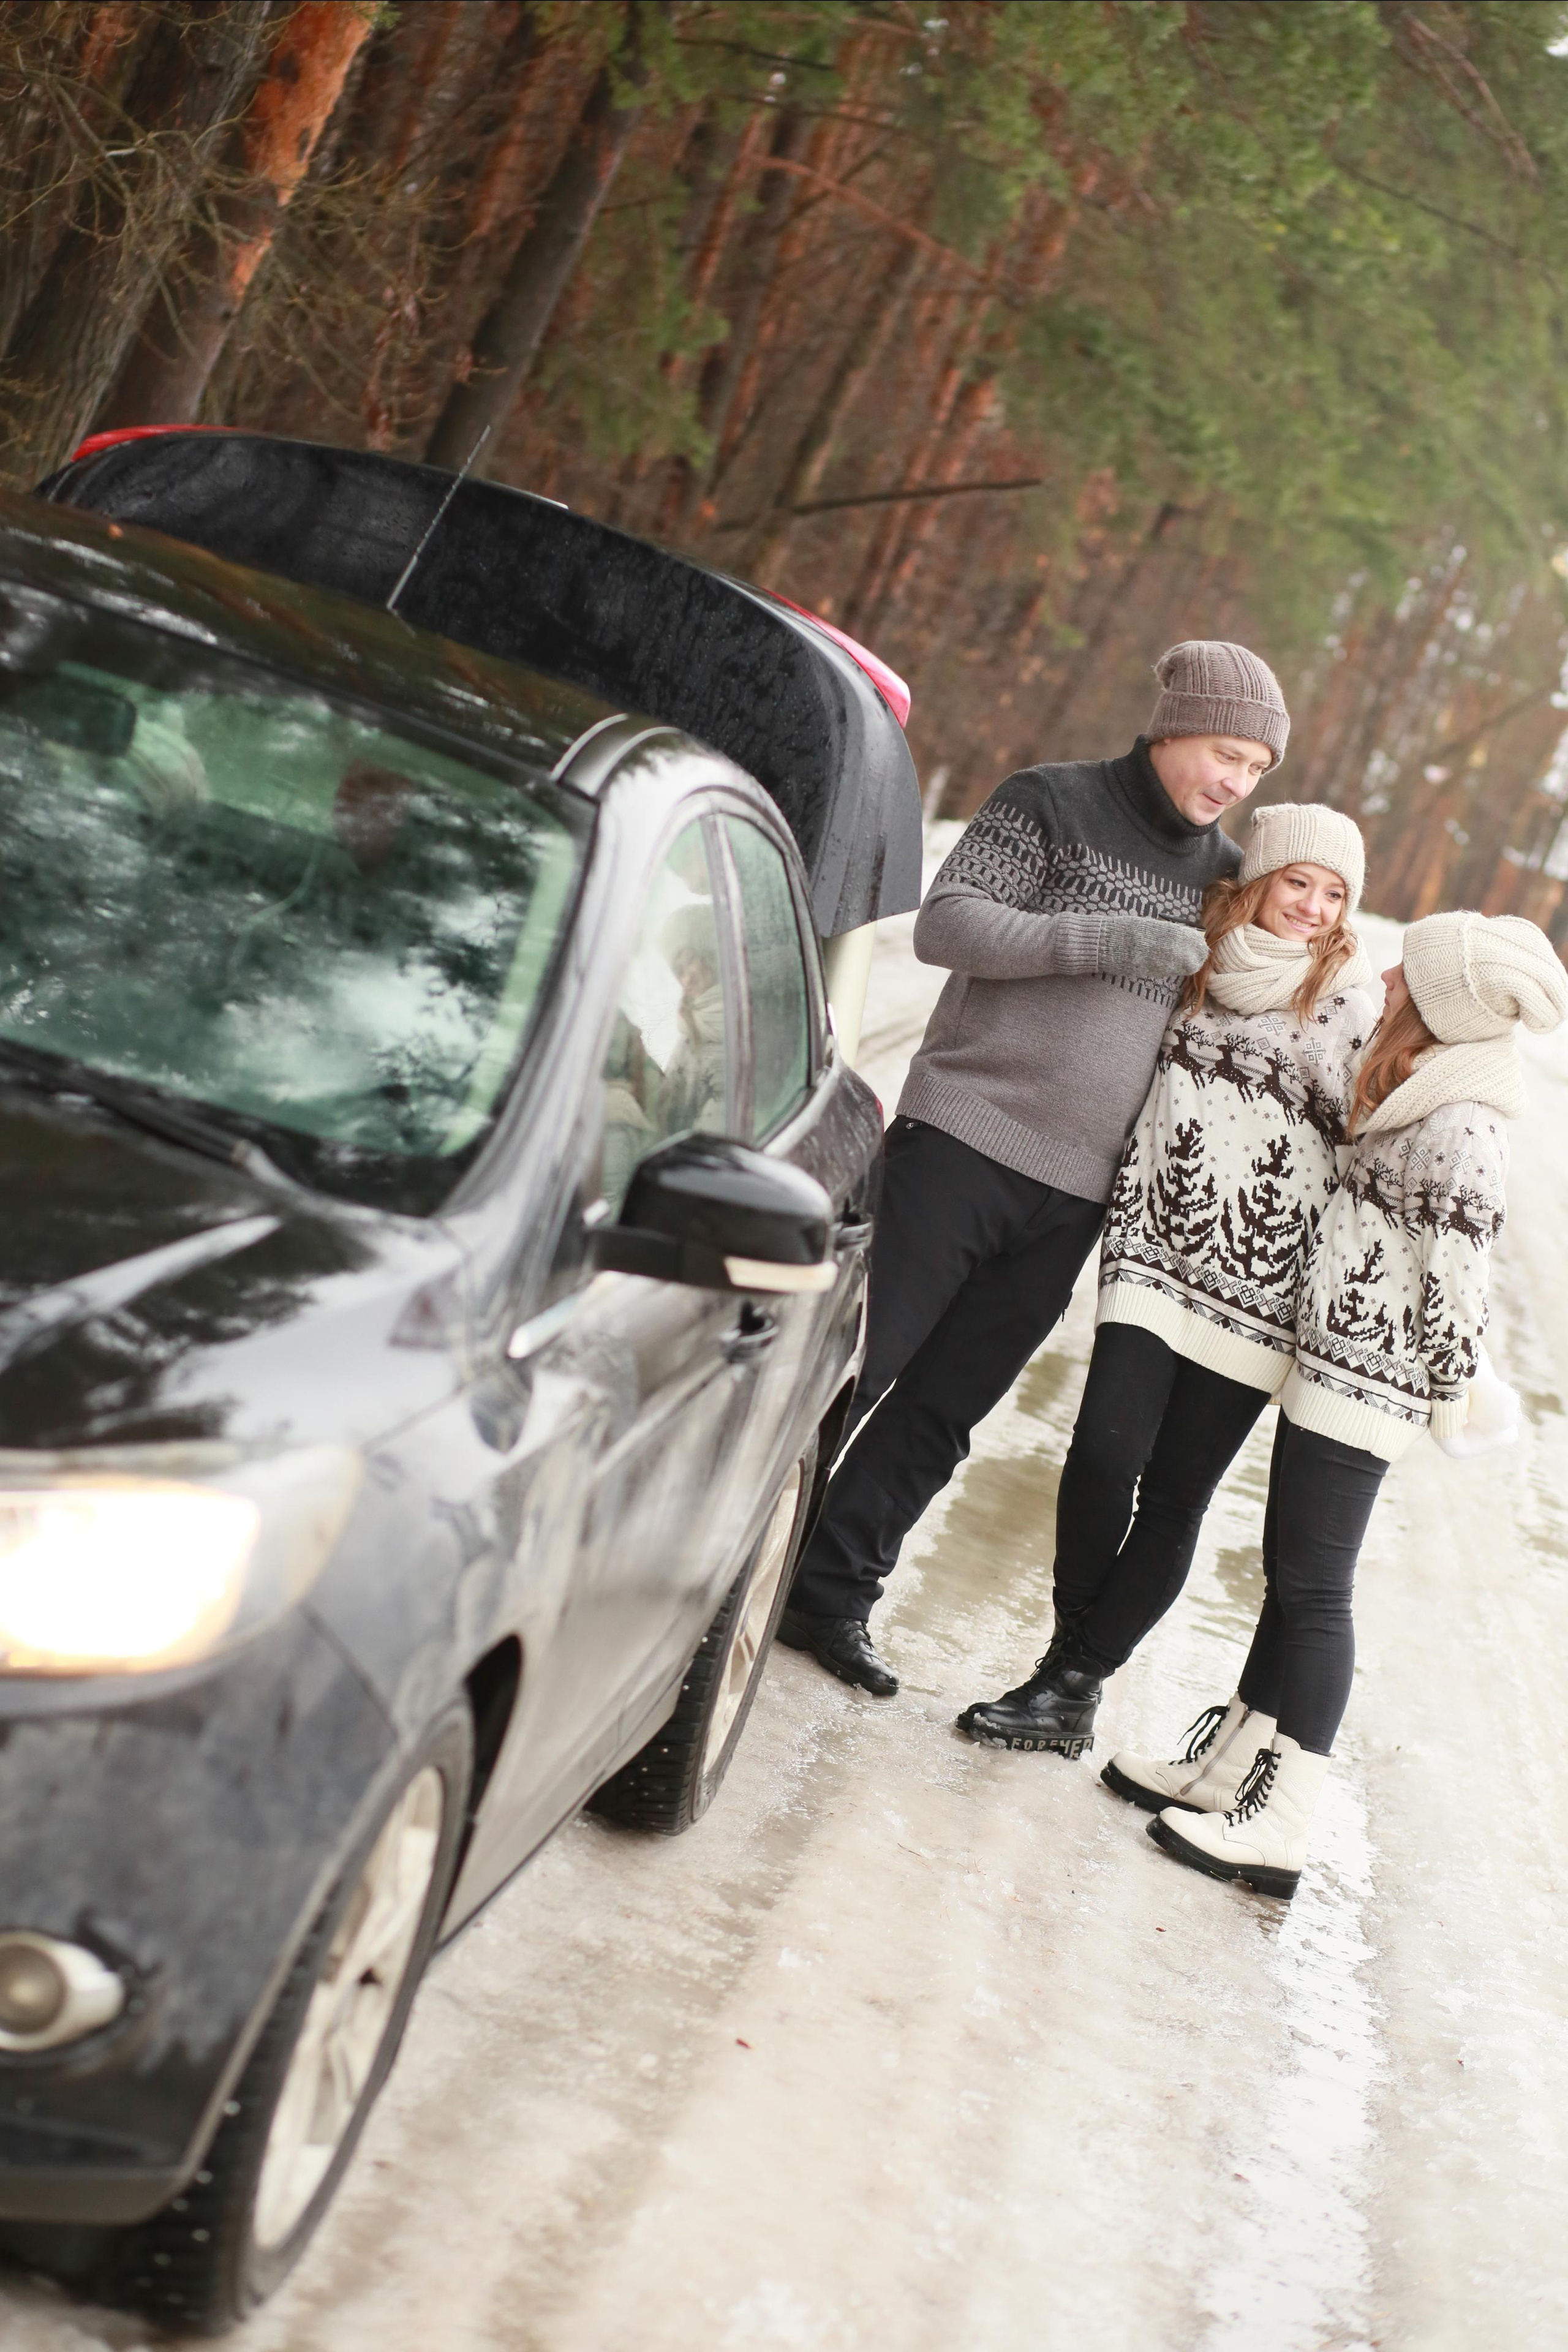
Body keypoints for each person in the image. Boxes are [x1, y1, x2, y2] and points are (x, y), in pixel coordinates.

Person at [778, 639, 1289, 1697]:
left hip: (1078, 1190)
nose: (1235, 783)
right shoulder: (1050, 802)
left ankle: (828, 1593)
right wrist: (1100, 938)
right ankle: (734, 1560)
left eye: (1256, 770)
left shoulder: (1226, 877)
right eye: (1227, 754)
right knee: (852, 1365)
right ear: (1173, 727)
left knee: (945, 1407)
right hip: (964, 1133)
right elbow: (947, 925)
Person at [1143, 910, 1567, 1899]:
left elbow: (1462, 1281)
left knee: (1317, 1594)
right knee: (1287, 1581)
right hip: (1327, 1366)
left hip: (1366, 1385)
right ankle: (1229, 1771)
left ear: (1442, 1004)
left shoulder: (1465, 1125)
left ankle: (1283, 1820)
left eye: (1408, 972)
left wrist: (1454, 1392)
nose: (1385, 973)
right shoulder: (1420, 1088)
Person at [958, 802, 1378, 1759]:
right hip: (1153, 1251)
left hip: (1259, 1291)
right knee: (1103, 1453)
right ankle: (1071, 1655)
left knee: (1176, 1496)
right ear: (1259, 880)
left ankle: (1071, 1684)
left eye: (1334, 893)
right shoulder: (1194, 964)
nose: (1311, 907)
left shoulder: (1353, 1001)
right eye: (1296, 883)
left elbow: (1371, 1143)